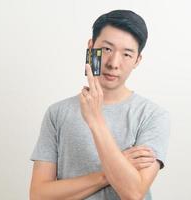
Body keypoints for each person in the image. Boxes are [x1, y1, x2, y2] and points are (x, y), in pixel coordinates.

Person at [29, 9, 170, 200]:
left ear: (137, 60)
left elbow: (133, 193)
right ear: (91, 46)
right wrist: (109, 174)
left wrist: (95, 120)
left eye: (127, 54)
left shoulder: (152, 115)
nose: (114, 63)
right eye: (107, 49)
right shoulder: (57, 113)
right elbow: (39, 195)